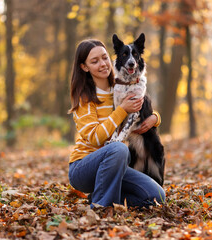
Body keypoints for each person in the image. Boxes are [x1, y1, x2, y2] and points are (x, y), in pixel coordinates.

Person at [68, 39, 165, 208]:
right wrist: (121, 110)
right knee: (119, 148)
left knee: (157, 196)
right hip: (83, 168)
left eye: (104, 57)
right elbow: (95, 138)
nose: (103, 64)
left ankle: (104, 197)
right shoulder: (85, 98)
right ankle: (100, 207)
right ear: (84, 67)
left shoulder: (120, 86)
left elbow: (142, 108)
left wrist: (155, 118)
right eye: (94, 61)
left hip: (115, 165)